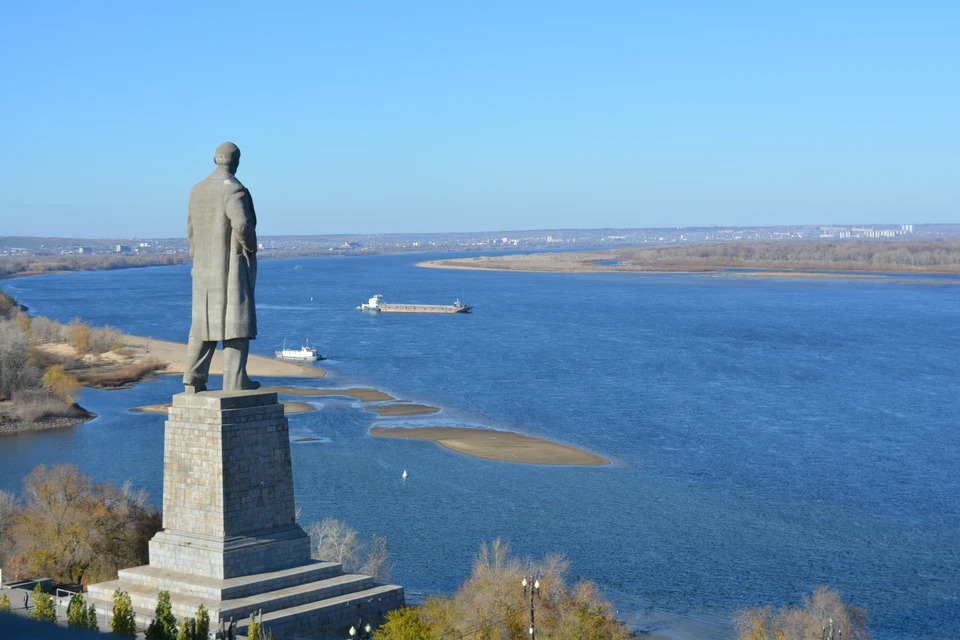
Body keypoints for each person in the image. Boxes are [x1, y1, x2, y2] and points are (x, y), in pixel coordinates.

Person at [182, 142, 260, 392]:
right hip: (229, 268)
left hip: (203, 270)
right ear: (236, 161)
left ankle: (193, 379)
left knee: (202, 324)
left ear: (215, 159)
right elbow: (242, 226)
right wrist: (251, 247)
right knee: (236, 324)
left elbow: (191, 232)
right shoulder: (234, 189)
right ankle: (236, 381)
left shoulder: (197, 190)